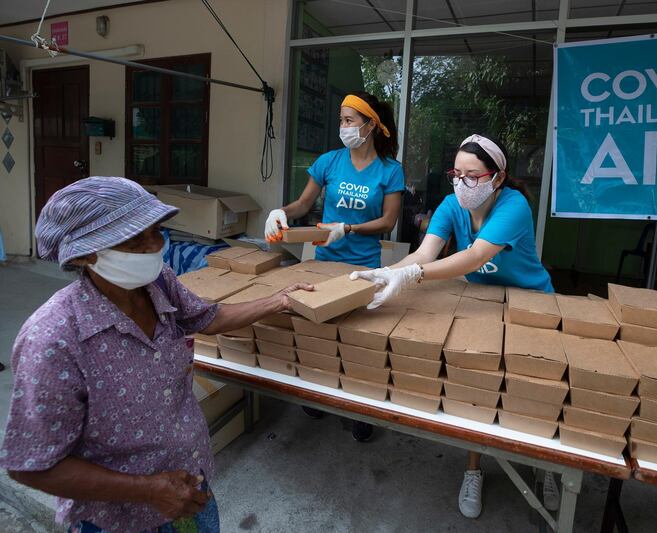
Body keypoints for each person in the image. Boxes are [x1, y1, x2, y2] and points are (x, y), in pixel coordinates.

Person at [0, 177, 312, 533]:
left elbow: (208, 318)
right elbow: (32, 464)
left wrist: (281, 299)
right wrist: (147, 491)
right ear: (86, 253)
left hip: (190, 489)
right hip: (117, 519)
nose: (155, 246)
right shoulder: (54, 339)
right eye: (136, 240)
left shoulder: (158, 283)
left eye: (157, 232)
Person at [351, 134, 560, 518]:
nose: (463, 184)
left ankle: (546, 467)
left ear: (497, 178)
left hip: (532, 302)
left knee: (533, 388)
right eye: (457, 174)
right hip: (481, 303)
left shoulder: (514, 206)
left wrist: (413, 275)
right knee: (476, 385)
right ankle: (474, 469)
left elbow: (474, 257)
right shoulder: (451, 205)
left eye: (473, 176)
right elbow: (424, 253)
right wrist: (383, 274)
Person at [265, 91, 405, 442]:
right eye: (341, 120)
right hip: (324, 263)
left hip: (361, 266)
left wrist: (349, 228)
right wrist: (279, 212)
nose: (342, 127)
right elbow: (302, 204)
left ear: (370, 125)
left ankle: (360, 408)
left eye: (348, 120)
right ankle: (318, 394)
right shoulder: (329, 162)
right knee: (319, 332)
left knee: (356, 341)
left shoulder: (390, 171)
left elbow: (388, 221)